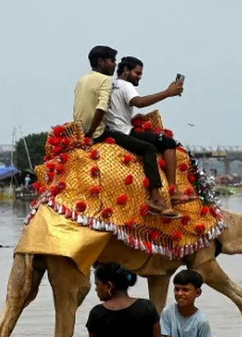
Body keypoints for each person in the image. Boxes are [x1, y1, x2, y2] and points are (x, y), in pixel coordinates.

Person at [103, 56, 190, 217]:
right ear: (126, 71)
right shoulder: (125, 85)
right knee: (167, 143)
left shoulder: (109, 85)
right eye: (137, 73)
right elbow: (139, 102)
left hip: (113, 130)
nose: (139, 77)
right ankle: (171, 191)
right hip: (123, 131)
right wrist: (167, 93)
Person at [160, 269, 213, 337]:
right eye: (177, 289)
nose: (180, 293)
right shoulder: (168, 312)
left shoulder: (201, 321)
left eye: (185, 290)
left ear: (197, 293)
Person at [73, 45, 118, 141]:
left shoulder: (81, 80)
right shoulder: (105, 79)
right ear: (101, 61)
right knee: (148, 147)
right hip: (97, 134)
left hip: (79, 133)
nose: (115, 64)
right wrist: (90, 133)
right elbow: (101, 108)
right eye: (112, 61)